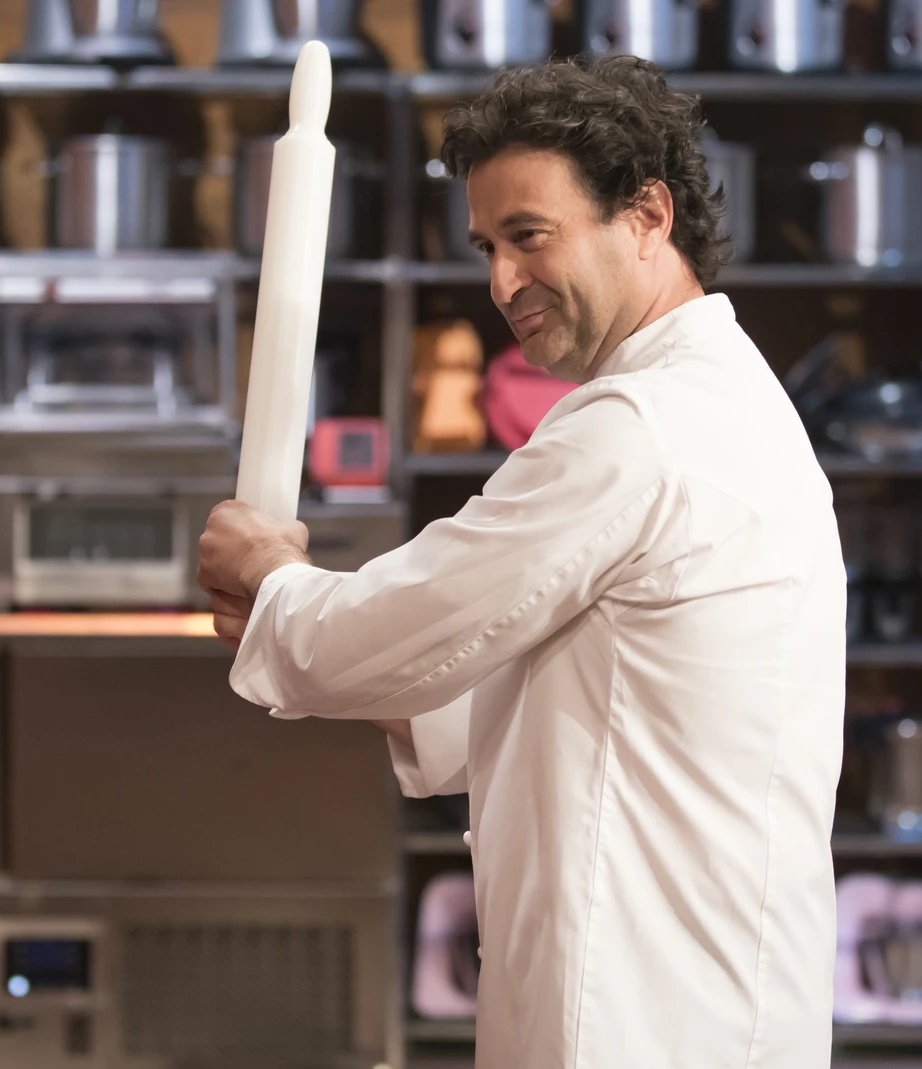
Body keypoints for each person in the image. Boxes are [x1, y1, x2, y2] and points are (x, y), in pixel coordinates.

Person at [199, 55, 844, 1069]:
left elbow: (392, 626)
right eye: (487, 247)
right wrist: (314, 637)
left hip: (642, 1024)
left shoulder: (638, 428)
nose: (501, 283)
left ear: (647, 216)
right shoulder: (720, 397)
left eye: (530, 236)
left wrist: (274, 579)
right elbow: (579, 691)